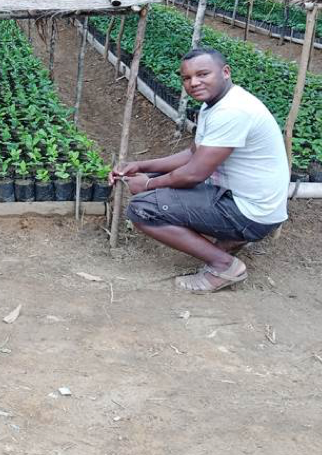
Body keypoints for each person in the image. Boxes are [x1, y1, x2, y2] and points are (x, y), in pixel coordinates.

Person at [110, 47, 289, 293]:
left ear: (225, 72)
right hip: (241, 199)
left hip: (251, 212)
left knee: (143, 208)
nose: (194, 82)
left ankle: (224, 266)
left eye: (203, 74)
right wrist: (141, 166)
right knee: (155, 179)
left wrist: (148, 185)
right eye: (186, 78)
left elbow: (194, 174)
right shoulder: (215, 104)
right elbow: (193, 155)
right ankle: (230, 239)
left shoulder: (233, 111)